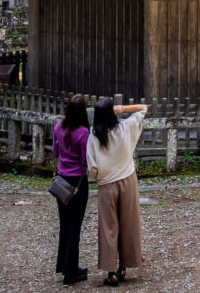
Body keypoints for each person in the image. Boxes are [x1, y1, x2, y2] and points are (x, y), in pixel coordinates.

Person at [86, 98, 149, 286]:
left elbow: (92, 166)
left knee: (108, 228)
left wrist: (100, 177)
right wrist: (123, 109)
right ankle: (124, 266)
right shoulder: (125, 128)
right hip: (127, 179)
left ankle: (111, 271)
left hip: (106, 184)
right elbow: (144, 108)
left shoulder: (94, 135)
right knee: (128, 224)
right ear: (112, 113)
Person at [51, 95, 91, 285]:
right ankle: (71, 272)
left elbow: (54, 152)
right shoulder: (83, 132)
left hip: (61, 180)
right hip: (77, 183)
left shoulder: (58, 126)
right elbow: (85, 161)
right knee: (75, 226)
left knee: (65, 225)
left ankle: (64, 265)